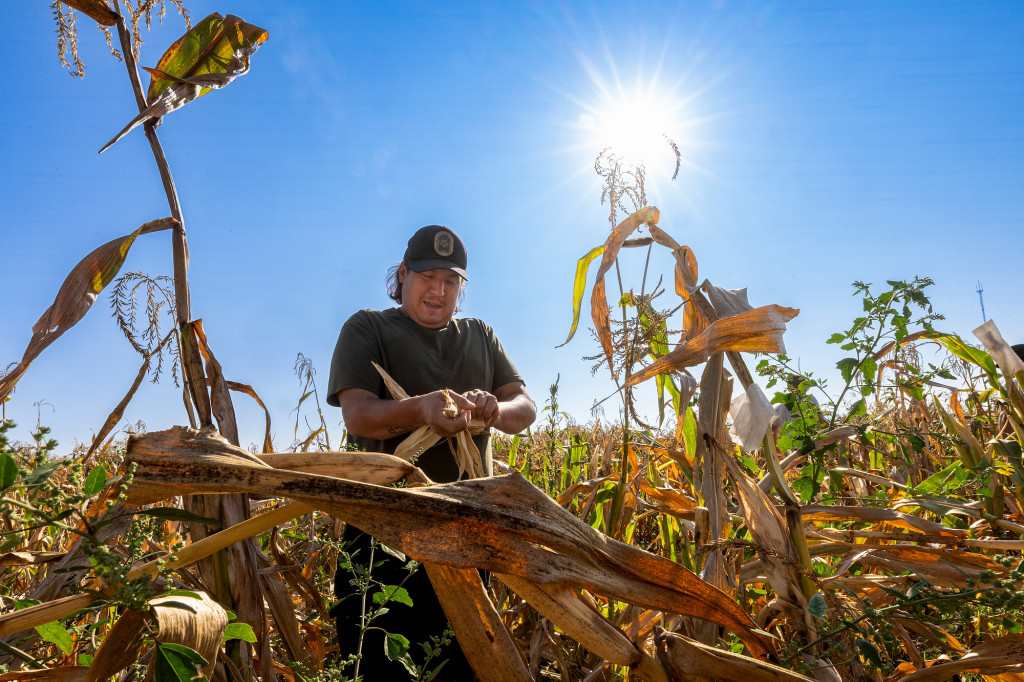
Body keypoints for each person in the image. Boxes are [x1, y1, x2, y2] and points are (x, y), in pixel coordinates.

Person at [326, 225, 536, 680]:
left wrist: (494, 408)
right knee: (377, 667)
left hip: (468, 534)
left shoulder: (480, 335)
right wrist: (422, 409)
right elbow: (358, 415)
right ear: (402, 274)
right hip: (382, 533)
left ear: (462, 287)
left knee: (458, 667)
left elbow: (525, 409)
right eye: (426, 276)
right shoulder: (368, 328)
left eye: (451, 281)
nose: (438, 291)